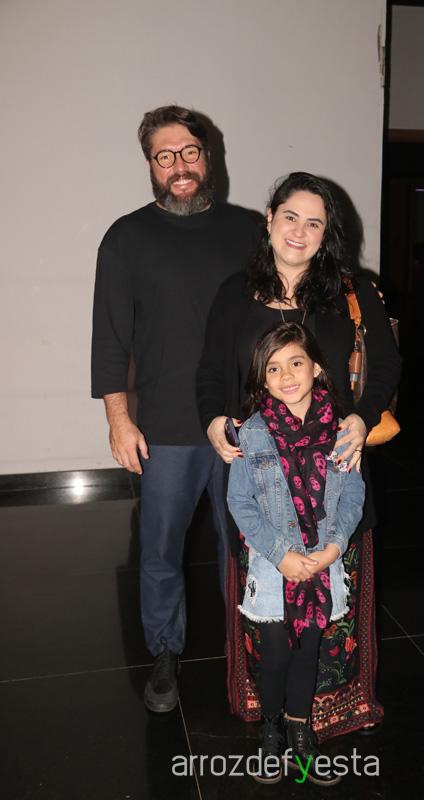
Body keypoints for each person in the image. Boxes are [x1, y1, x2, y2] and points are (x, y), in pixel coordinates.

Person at [197, 171, 401, 739]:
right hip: (260, 475)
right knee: (268, 602)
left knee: (333, 603)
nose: (300, 231)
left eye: (315, 223)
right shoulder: (235, 293)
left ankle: (324, 714)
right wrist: (213, 420)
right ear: (270, 220)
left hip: (335, 472)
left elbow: (386, 365)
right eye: (290, 216)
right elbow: (211, 370)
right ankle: (268, 713)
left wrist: (361, 417)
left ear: (326, 233)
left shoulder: (351, 292)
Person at [91, 105, 258, 713]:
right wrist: (118, 419)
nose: (179, 165)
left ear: (207, 157)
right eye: (166, 156)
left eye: (189, 152)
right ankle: (164, 650)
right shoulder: (126, 238)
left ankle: (249, 647)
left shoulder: (251, 231)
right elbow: (110, 337)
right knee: (160, 550)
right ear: (150, 165)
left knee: (245, 546)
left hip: (246, 424)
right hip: (164, 425)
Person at [227, 323, 365, 785]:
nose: (286, 376)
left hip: (323, 558)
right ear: (262, 379)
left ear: (317, 368)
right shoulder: (252, 434)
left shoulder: (342, 432)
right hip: (274, 563)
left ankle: (299, 732)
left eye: (296, 363)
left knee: (308, 652)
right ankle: (270, 729)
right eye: (273, 368)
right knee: (276, 655)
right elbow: (240, 502)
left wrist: (333, 548)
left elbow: (353, 495)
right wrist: (282, 555)